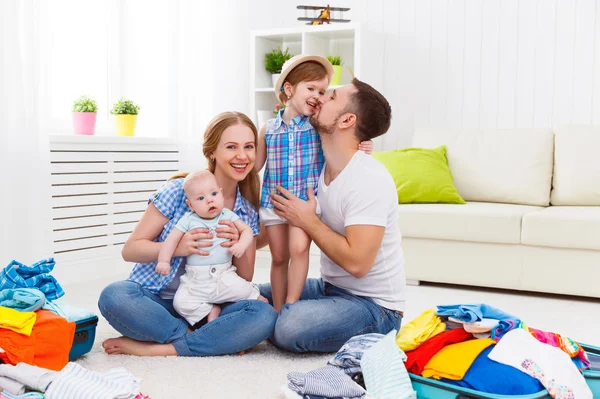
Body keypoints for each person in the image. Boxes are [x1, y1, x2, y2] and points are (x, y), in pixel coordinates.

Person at [97, 112, 277, 357]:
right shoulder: (177, 191)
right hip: (158, 301)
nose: (242, 156)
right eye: (231, 147)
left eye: (249, 147)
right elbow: (130, 250)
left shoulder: (246, 210)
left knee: (263, 314)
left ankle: (164, 348)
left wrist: (239, 243)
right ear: (212, 152)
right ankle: (207, 338)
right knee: (115, 295)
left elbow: (244, 277)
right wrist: (179, 248)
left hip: (211, 305)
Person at [261, 77, 406, 353]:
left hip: (374, 307)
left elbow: (357, 263)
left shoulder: (368, 179)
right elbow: (280, 220)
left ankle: (268, 324)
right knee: (250, 296)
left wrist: (308, 220)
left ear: (346, 120)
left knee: (290, 326)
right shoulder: (316, 166)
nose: (321, 97)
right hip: (329, 289)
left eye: (332, 97)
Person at [256, 54, 373, 311]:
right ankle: (276, 309)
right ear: (288, 89)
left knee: (298, 250)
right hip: (274, 203)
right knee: (277, 257)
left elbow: (344, 144)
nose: (318, 96)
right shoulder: (268, 129)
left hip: (305, 204)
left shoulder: (317, 126)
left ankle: (291, 305)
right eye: (311, 88)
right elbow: (254, 167)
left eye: (322, 91)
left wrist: (363, 144)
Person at [155, 170, 268, 326]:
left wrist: (241, 245)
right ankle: (209, 311)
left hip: (224, 274)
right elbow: (171, 241)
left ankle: (255, 297)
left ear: (220, 195)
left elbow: (246, 231)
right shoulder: (187, 219)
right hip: (195, 280)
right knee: (180, 303)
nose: (209, 201)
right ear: (190, 205)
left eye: (213, 194)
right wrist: (163, 261)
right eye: (201, 198)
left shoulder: (227, 215)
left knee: (243, 289)